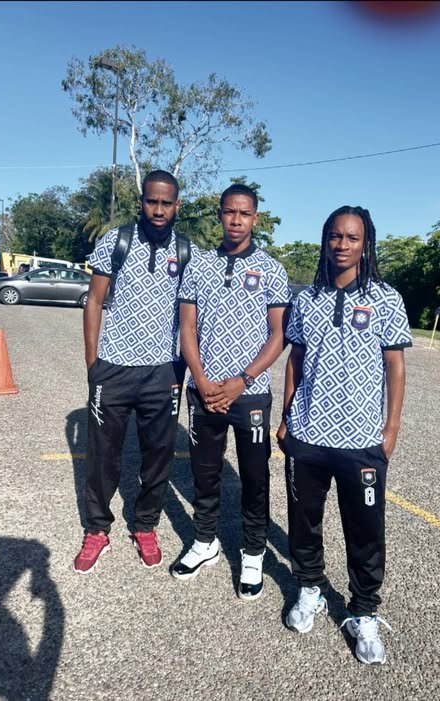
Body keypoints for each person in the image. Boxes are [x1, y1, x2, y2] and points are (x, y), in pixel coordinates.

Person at [277, 205, 412, 664]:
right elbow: (295, 360)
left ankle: (364, 611)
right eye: (335, 236)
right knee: (304, 522)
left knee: (366, 531)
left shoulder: (386, 299)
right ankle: (310, 588)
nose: (342, 244)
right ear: (325, 240)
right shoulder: (306, 299)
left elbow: (395, 366)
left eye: (352, 237)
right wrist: (287, 416)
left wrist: (390, 428)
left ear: (365, 243)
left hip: (362, 441)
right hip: (308, 434)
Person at [73, 170, 199, 574]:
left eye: (166, 203)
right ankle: (97, 530)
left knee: (158, 455)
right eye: (152, 201)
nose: (158, 210)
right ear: (141, 202)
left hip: (162, 371)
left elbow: (192, 316)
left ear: (177, 205)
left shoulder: (187, 251)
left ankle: (145, 526)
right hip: (113, 368)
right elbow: (94, 302)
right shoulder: (116, 241)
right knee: (102, 456)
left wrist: (184, 368)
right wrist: (93, 363)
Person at [172, 183, 291, 600]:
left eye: (244, 213)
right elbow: (187, 328)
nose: (236, 220)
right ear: (220, 214)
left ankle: (253, 552)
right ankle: (205, 541)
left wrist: (243, 379)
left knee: (255, 477)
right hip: (204, 391)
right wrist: (201, 380)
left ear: (255, 218)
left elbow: (278, 335)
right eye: (229, 212)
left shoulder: (272, 270)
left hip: (250, 393)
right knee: (204, 473)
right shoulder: (199, 265)